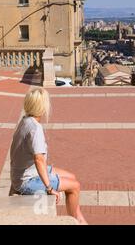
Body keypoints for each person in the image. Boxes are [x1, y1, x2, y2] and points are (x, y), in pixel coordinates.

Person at [10, 88, 87, 225]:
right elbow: (39, 159)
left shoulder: (25, 121)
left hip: (24, 174)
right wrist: (49, 188)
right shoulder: (35, 128)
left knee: (72, 177)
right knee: (75, 186)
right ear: (42, 107)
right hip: (27, 180)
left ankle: (78, 216)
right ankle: (77, 220)